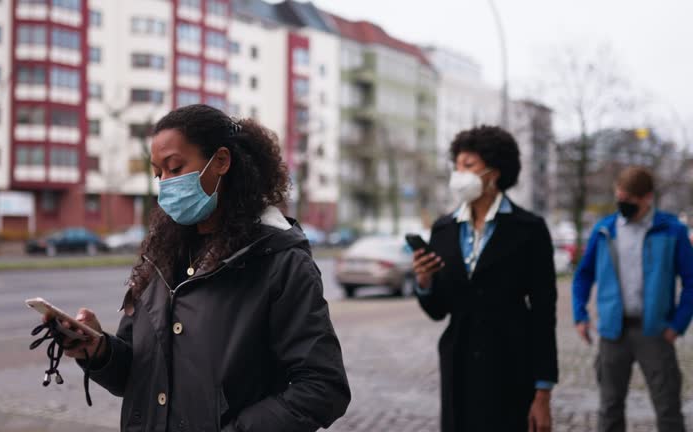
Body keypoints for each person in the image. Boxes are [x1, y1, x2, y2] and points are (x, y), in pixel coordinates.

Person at [49, 104, 351, 432]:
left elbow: (323, 387)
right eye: (157, 173)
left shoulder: (281, 262)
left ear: (221, 161)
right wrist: (98, 349)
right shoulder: (161, 256)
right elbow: (137, 375)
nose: (164, 183)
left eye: (175, 168)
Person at [412, 126, 559, 432]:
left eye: (468, 165)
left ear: (494, 173)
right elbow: (438, 309)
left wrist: (542, 392)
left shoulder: (529, 230)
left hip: (512, 364)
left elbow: (544, 312)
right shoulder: (444, 229)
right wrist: (425, 282)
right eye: (457, 165)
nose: (458, 173)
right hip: (459, 364)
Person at [572, 166, 693, 432]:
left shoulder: (672, 231)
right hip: (613, 334)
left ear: (647, 198)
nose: (622, 204)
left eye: (629, 200)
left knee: (668, 408)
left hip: (656, 333)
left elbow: (691, 281)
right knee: (610, 409)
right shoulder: (604, 230)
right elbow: (583, 275)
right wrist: (579, 315)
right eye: (619, 197)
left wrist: (677, 324)